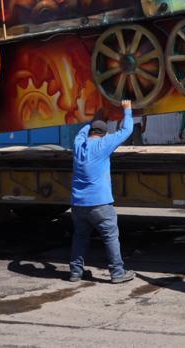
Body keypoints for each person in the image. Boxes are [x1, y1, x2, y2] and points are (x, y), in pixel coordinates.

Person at [68, 102, 135, 284]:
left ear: (90, 132)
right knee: (110, 237)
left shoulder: (78, 145)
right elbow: (126, 130)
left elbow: (82, 132)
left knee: (80, 237)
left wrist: (94, 120)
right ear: (104, 134)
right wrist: (127, 109)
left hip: (78, 204)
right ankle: (117, 273)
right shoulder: (104, 144)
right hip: (100, 204)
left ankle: (75, 272)